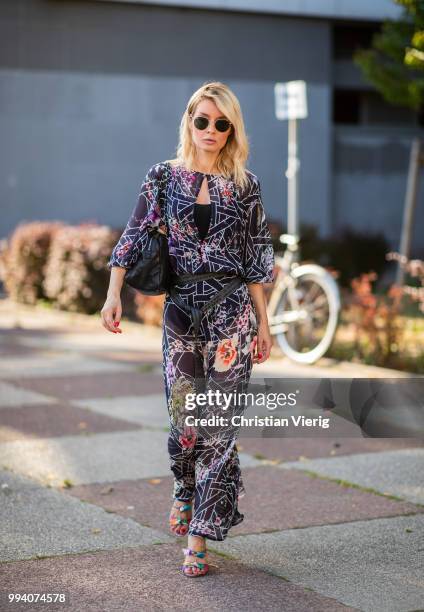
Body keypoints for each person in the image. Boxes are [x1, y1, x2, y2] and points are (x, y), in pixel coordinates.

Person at [101, 81, 275, 577]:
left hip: (232, 314)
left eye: (223, 123)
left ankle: (200, 536)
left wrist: (264, 325)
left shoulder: (246, 184)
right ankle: (184, 485)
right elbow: (134, 234)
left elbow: (257, 257)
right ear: (189, 122)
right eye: (203, 121)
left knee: (218, 428)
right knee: (185, 426)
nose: (212, 131)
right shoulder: (163, 177)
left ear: (232, 129)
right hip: (180, 312)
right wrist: (113, 292)